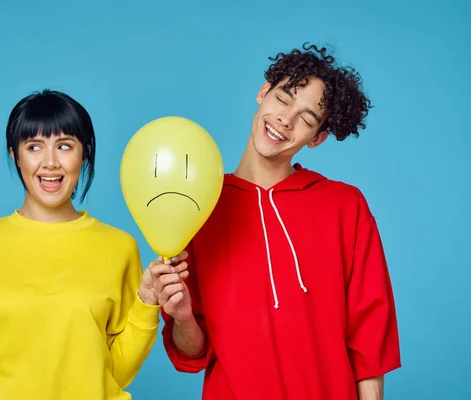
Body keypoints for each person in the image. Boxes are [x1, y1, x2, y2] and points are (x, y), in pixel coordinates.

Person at [151, 43, 401, 399]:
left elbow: (370, 340)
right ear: (263, 92)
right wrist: (183, 316)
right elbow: (192, 353)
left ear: (317, 138)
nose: (286, 120)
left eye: (307, 119)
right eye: (284, 99)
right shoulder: (197, 206)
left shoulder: (346, 206)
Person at [0, 90, 180, 400]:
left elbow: (111, 373)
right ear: (15, 155)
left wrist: (146, 301)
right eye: (34, 147)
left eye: (64, 146)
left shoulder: (119, 247)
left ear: (84, 153)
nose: (50, 163)